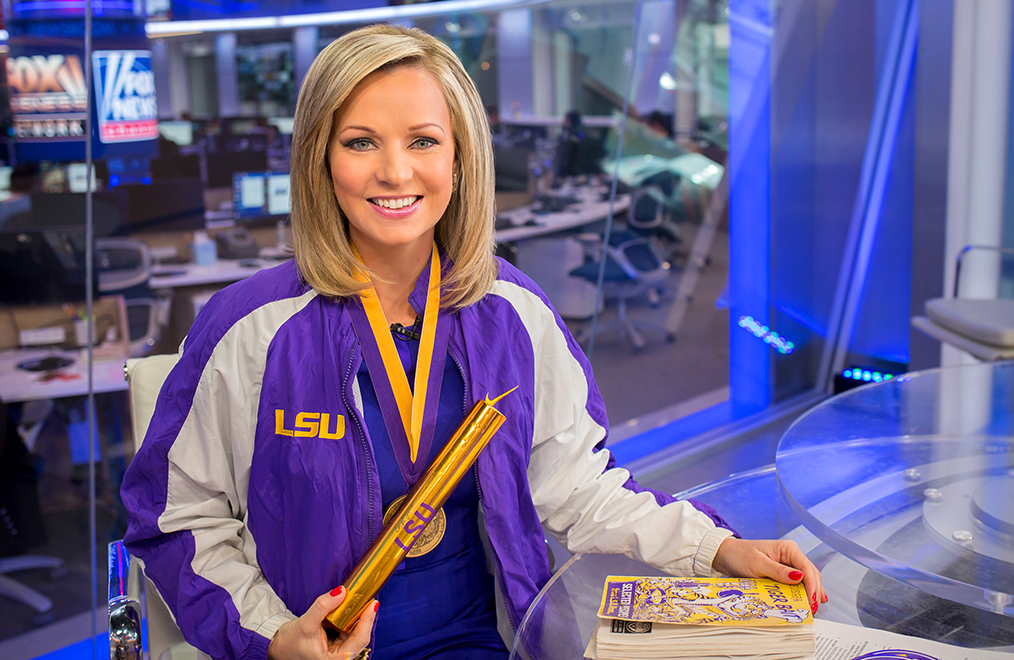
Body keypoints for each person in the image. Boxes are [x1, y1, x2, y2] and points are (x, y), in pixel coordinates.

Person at [121, 25, 825, 660]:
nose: (395, 172)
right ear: (319, 161)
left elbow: (580, 491)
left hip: (481, 641)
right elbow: (176, 520)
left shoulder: (512, 311)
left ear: (459, 160)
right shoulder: (249, 327)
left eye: (422, 141)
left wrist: (719, 550)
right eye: (360, 141)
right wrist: (274, 639)